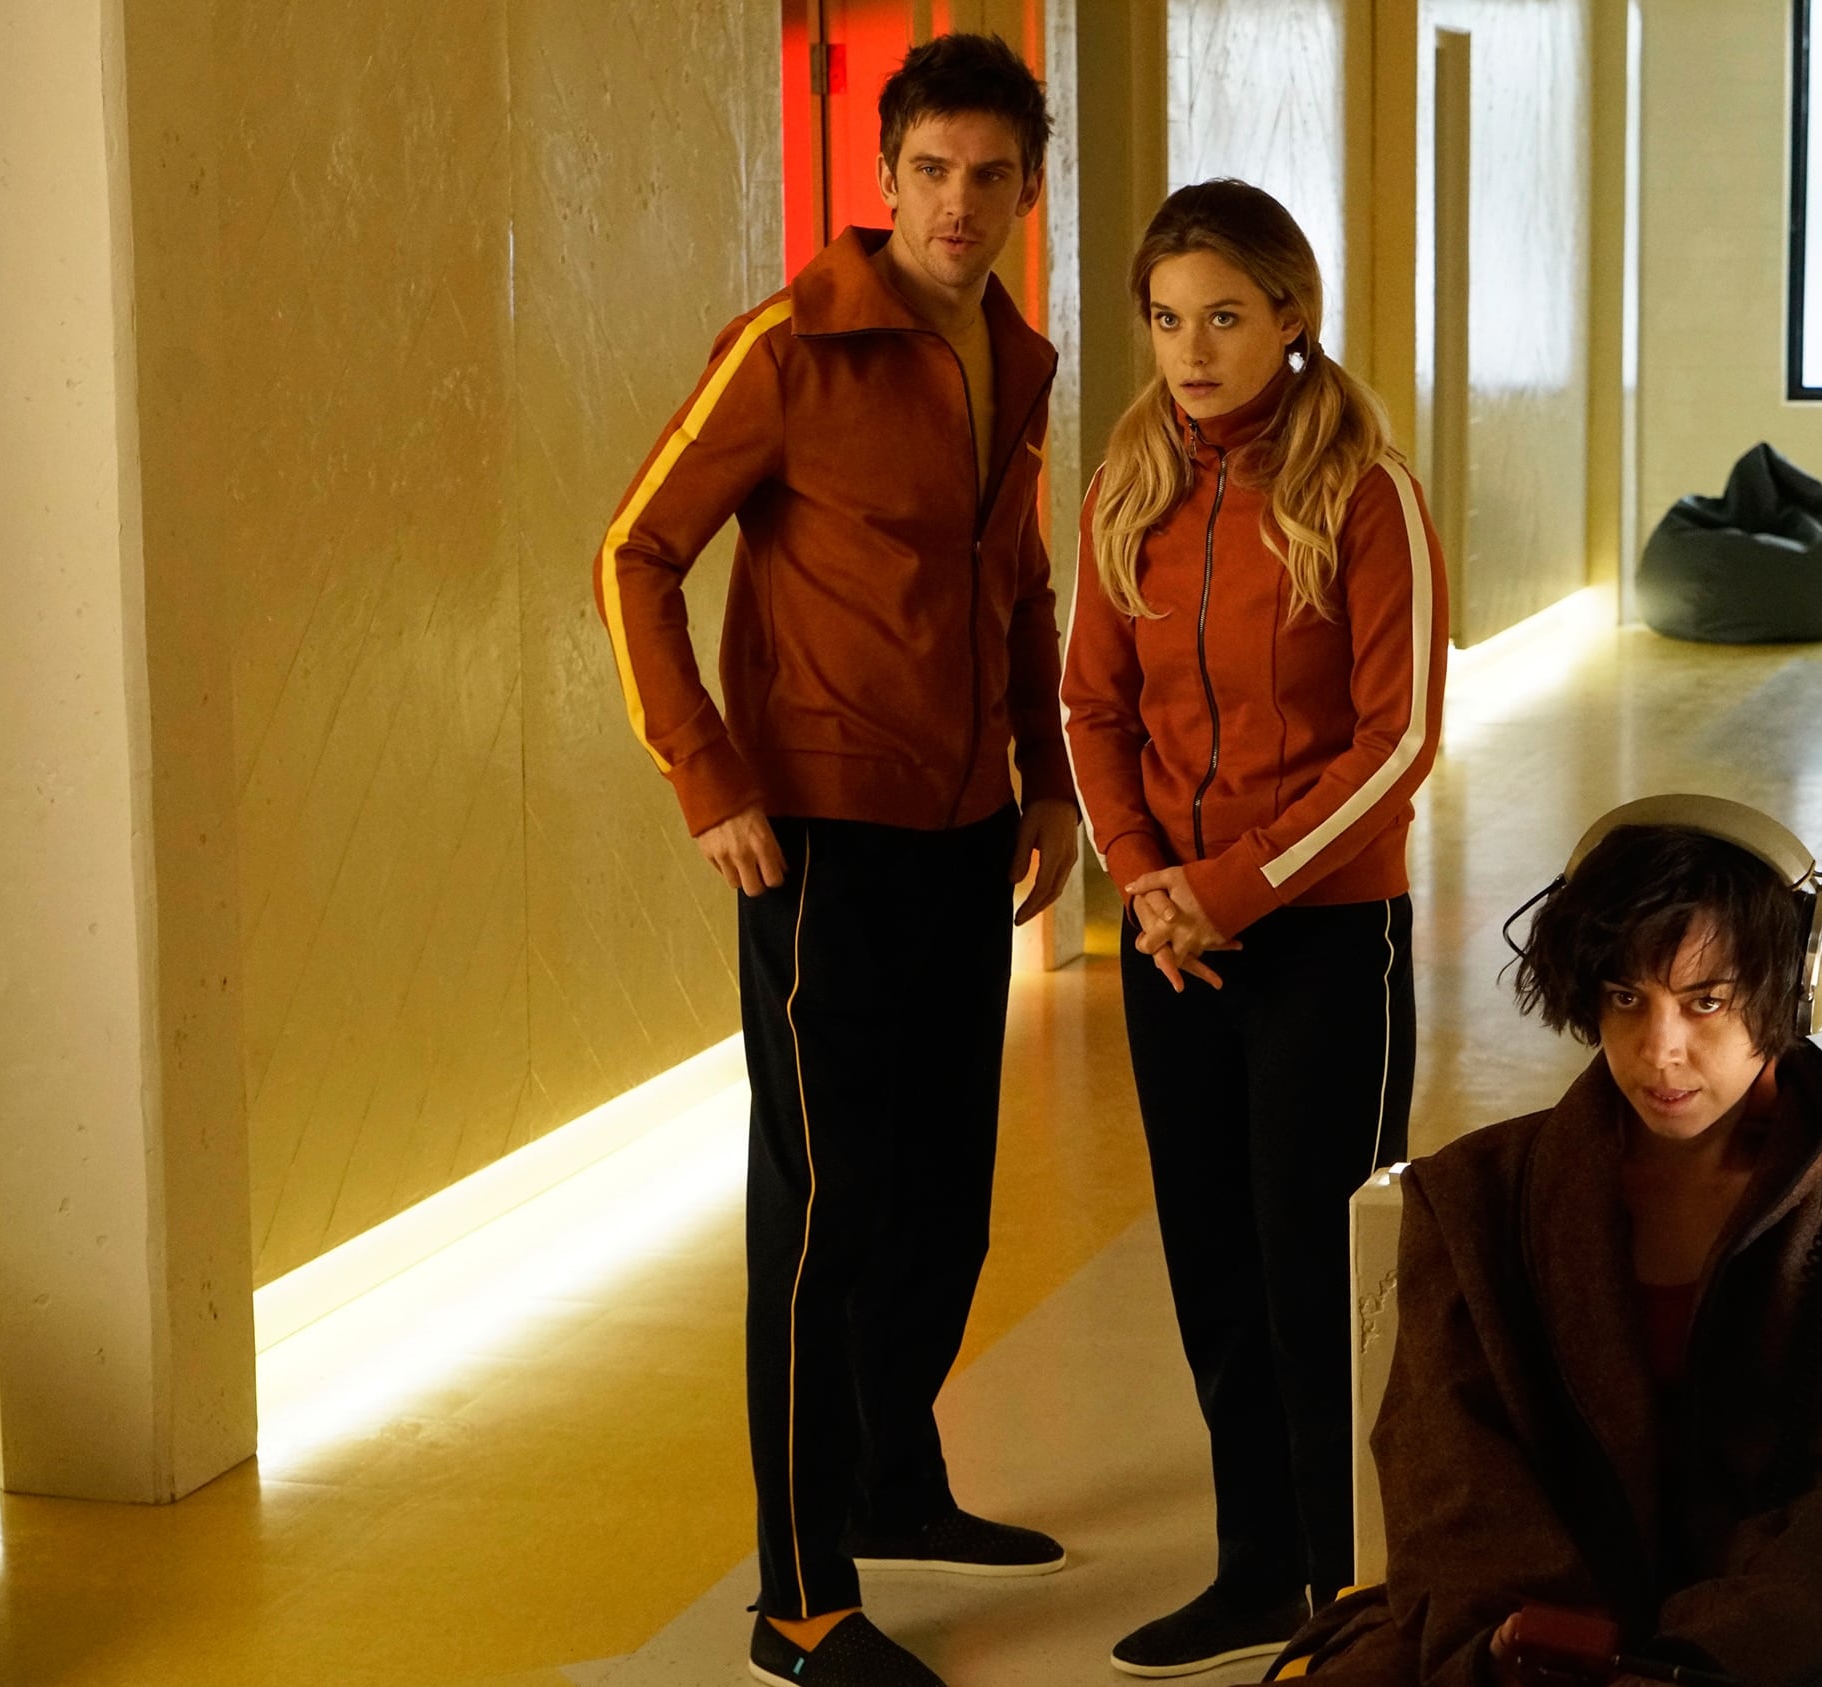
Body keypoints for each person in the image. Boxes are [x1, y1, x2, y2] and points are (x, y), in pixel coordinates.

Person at [589, 33, 1080, 1687]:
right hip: (813, 841)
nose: (958, 202)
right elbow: (635, 551)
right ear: (883, 177)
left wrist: (1048, 782)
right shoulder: (788, 347)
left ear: (1027, 190)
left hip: (964, 836)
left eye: (990, 175)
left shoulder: (1016, 359)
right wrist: (706, 772)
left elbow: (1018, 586)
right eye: (931, 170)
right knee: (823, 1208)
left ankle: (889, 1476)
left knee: (946, 1199)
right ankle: (799, 1596)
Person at [1275, 797, 1822, 1687]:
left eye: (1706, 1001)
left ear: (1800, 989)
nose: (1659, 1049)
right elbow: (1451, 1475)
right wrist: (1540, 1646)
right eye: (1626, 997)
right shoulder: (1470, 1195)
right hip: (1510, 1648)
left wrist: (1689, 1664)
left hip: (1774, 1660)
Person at [1062, 178, 1450, 1677]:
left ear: (1291, 314)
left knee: (1320, 1272)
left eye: (1224, 316)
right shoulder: (1128, 488)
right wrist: (1146, 881)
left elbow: (1397, 739)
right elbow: (1093, 707)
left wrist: (1225, 889)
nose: (1193, 350)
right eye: (1168, 320)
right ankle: (1254, 1571)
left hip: (1325, 937)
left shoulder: (1365, 492)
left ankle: (1352, 1589)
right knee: (1215, 1265)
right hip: (1174, 941)